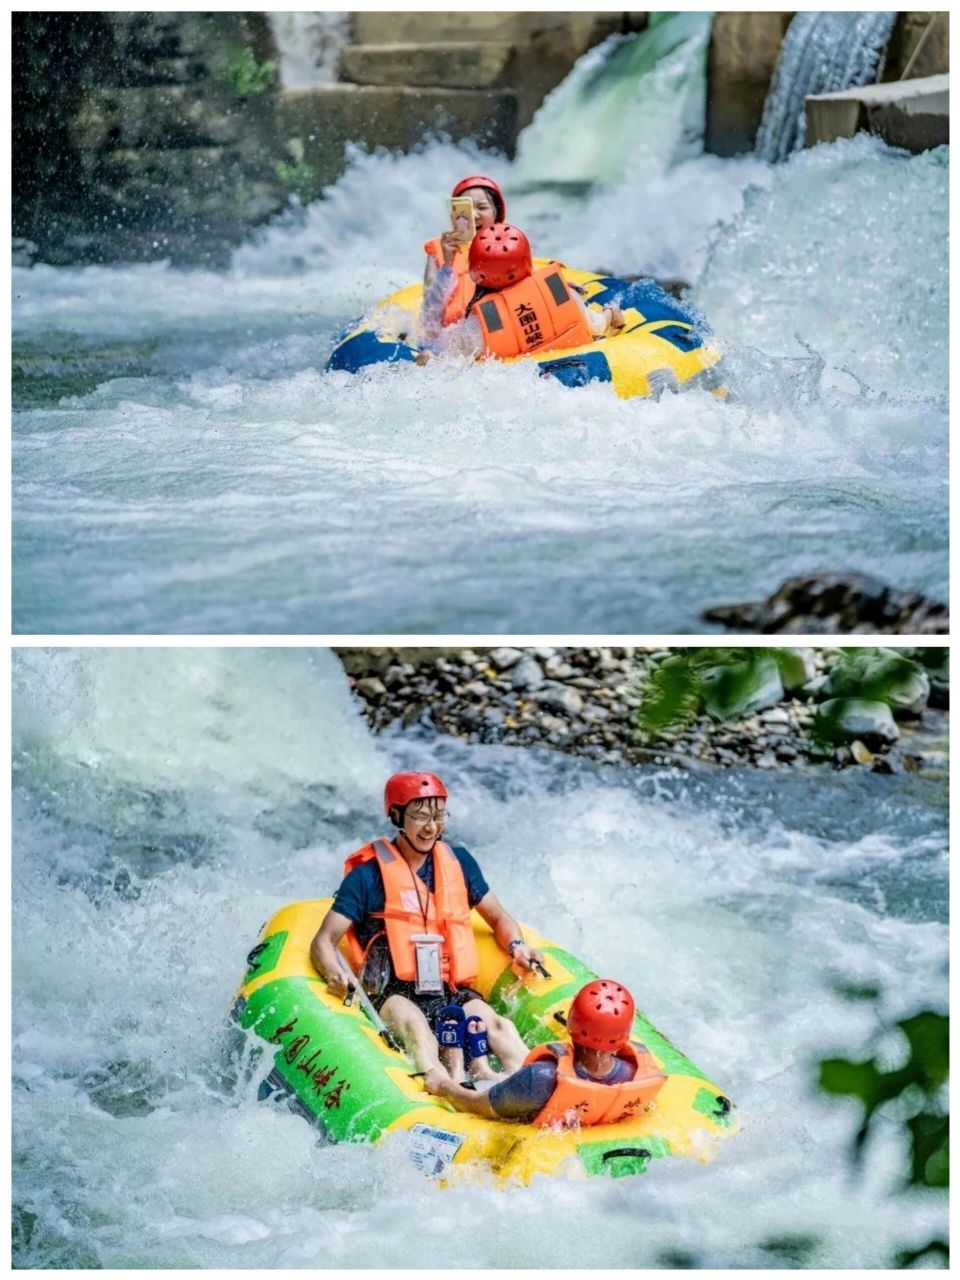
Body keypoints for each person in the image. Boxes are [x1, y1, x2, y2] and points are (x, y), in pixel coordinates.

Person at [310, 771, 545, 1083]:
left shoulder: (459, 862)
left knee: (497, 1025)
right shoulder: (368, 876)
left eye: (439, 816)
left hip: (451, 989)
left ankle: (531, 1088)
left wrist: (518, 947)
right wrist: (333, 972)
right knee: (419, 1034)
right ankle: (443, 1099)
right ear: (396, 816)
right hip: (395, 993)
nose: (432, 827)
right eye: (421, 817)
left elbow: (499, 918)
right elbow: (324, 941)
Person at [423, 979, 666, 1126]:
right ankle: (482, 1068)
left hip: (526, 1108)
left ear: (570, 1024)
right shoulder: (639, 1071)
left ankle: (463, 1070)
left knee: (468, 1083)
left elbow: (475, 1106)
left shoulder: (541, 1078)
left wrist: (443, 1086)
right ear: (625, 1035)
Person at [420, 222, 624, 361]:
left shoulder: (478, 324)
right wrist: (610, 313)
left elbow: (453, 362)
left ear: (475, 276)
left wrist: (430, 360)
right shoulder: (562, 293)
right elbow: (596, 326)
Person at [422, 175, 506, 327]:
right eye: (466, 209)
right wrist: (447, 265)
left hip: (498, 334)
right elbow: (429, 320)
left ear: (496, 212)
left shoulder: (511, 245)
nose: (473, 216)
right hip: (451, 338)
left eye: (482, 207)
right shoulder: (440, 250)